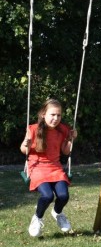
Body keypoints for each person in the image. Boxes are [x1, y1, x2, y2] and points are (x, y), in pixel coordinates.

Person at [20, 98, 77, 237]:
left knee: (63, 195)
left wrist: (70, 139)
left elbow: (65, 151)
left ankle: (57, 213)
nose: (56, 118)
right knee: (47, 196)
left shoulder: (63, 129)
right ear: (43, 114)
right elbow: (23, 150)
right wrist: (26, 144)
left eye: (58, 115)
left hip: (55, 167)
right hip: (37, 167)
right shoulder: (33, 129)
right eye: (52, 115)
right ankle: (37, 218)